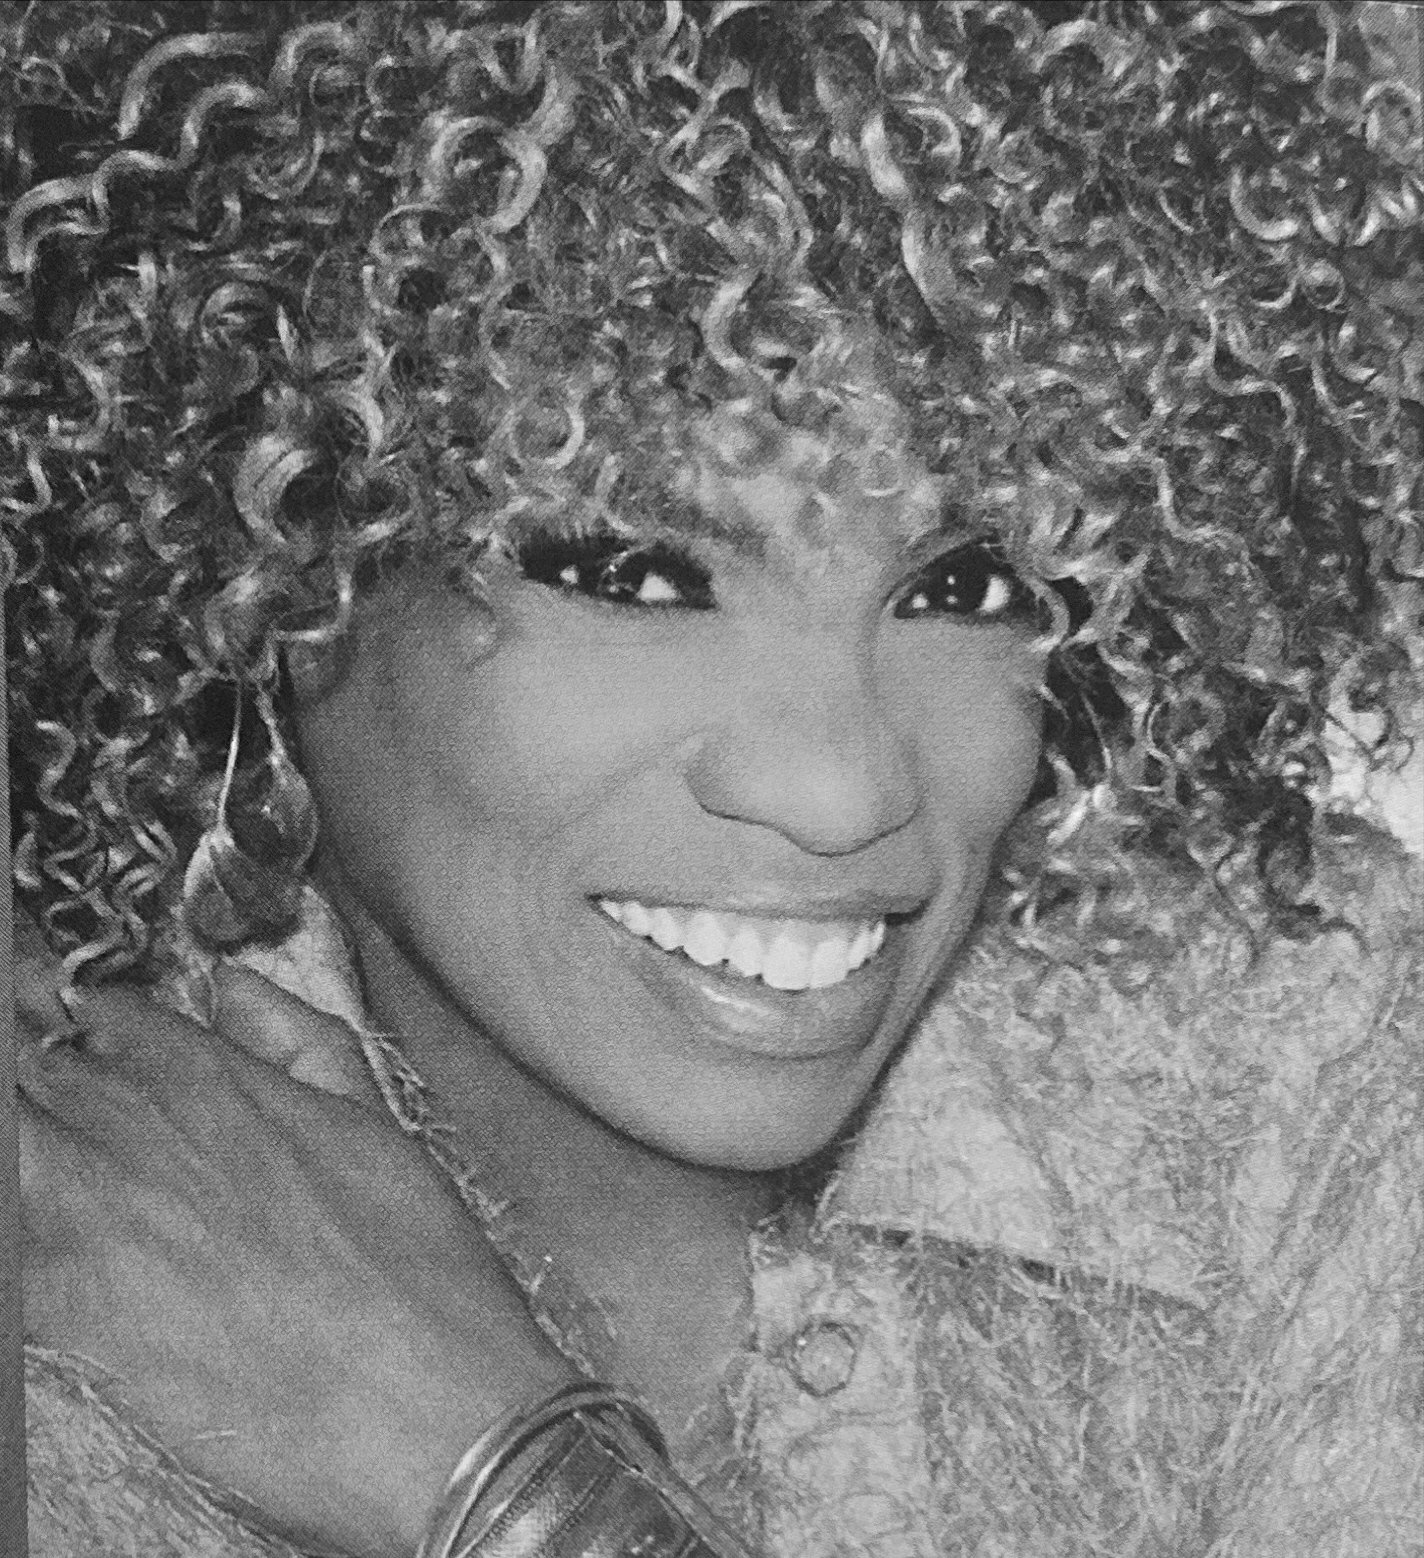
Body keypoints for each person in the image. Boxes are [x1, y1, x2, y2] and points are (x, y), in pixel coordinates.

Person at [5, 1, 1422, 1554]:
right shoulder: (53, 1234)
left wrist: (498, 1478)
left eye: (967, 586)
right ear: (261, 563)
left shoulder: (1306, 1050)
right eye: (634, 574)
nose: (841, 791)